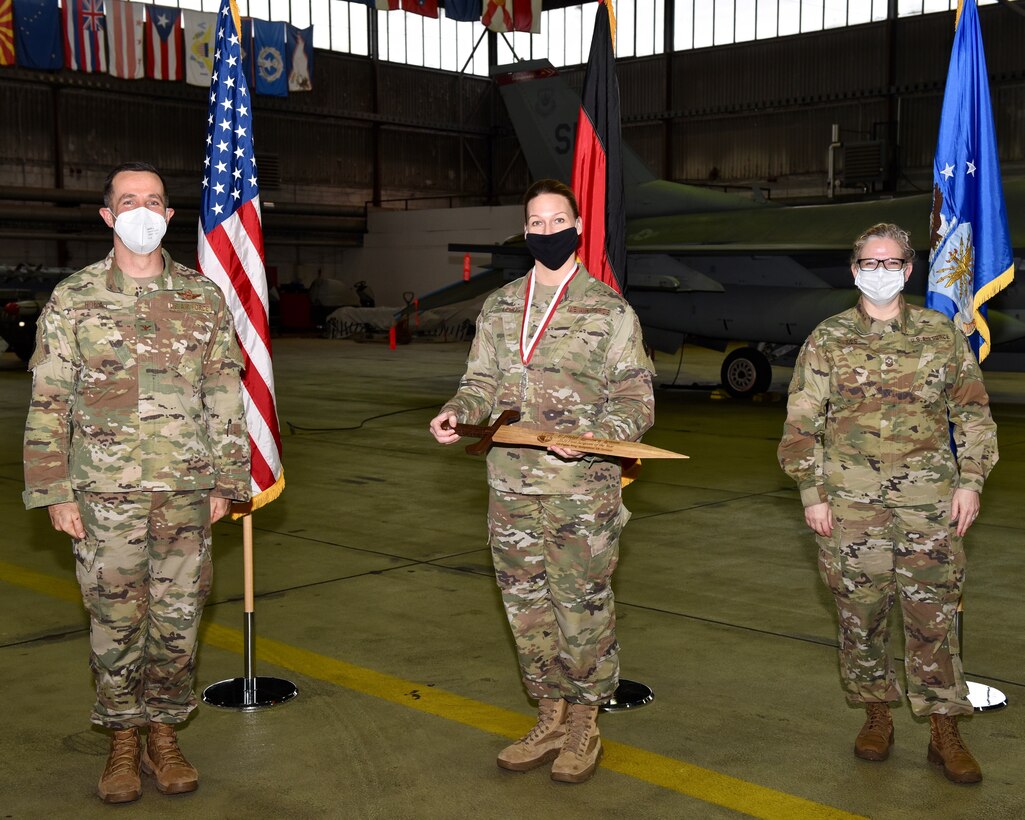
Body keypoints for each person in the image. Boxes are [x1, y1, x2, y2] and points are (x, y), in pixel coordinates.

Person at [23, 162, 251, 803]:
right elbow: (49, 402)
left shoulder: (202, 297)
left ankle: (164, 735)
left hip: (186, 492)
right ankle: (122, 741)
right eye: (129, 201)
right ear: (108, 215)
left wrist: (226, 482)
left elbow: (223, 396)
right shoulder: (74, 299)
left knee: (179, 621)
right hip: (104, 495)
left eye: (154, 200)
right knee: (115, 619)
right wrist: (55, 490)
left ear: (170, 214)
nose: (143, 210)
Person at [429, 179, 654, 783]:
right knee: (525, 608)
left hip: (581, 489)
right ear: (524, 231)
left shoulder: (608, 310)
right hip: (510, 487)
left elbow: (637, 396)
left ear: (577, 227)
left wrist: (592, 437)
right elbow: (479, 382)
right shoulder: (502, 306)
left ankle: (585, 721)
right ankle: (549, 713)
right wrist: (459, 412)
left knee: (581, 607)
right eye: (536, 223)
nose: (547, 231)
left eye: (558, 221)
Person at [778, 223, 998, 784]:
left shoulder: (941, 335)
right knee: (861, 617)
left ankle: (944, 727)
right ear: (855, 271)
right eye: (869, 263)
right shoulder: (827, 340)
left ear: (909, 269)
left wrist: (970, 480)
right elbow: (801, 424)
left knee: (934, 616)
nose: (881, 271)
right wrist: (811, 492)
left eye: (891, 262)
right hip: (849, 510)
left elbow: (972, 413)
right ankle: (877, 714)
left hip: (929, 504)